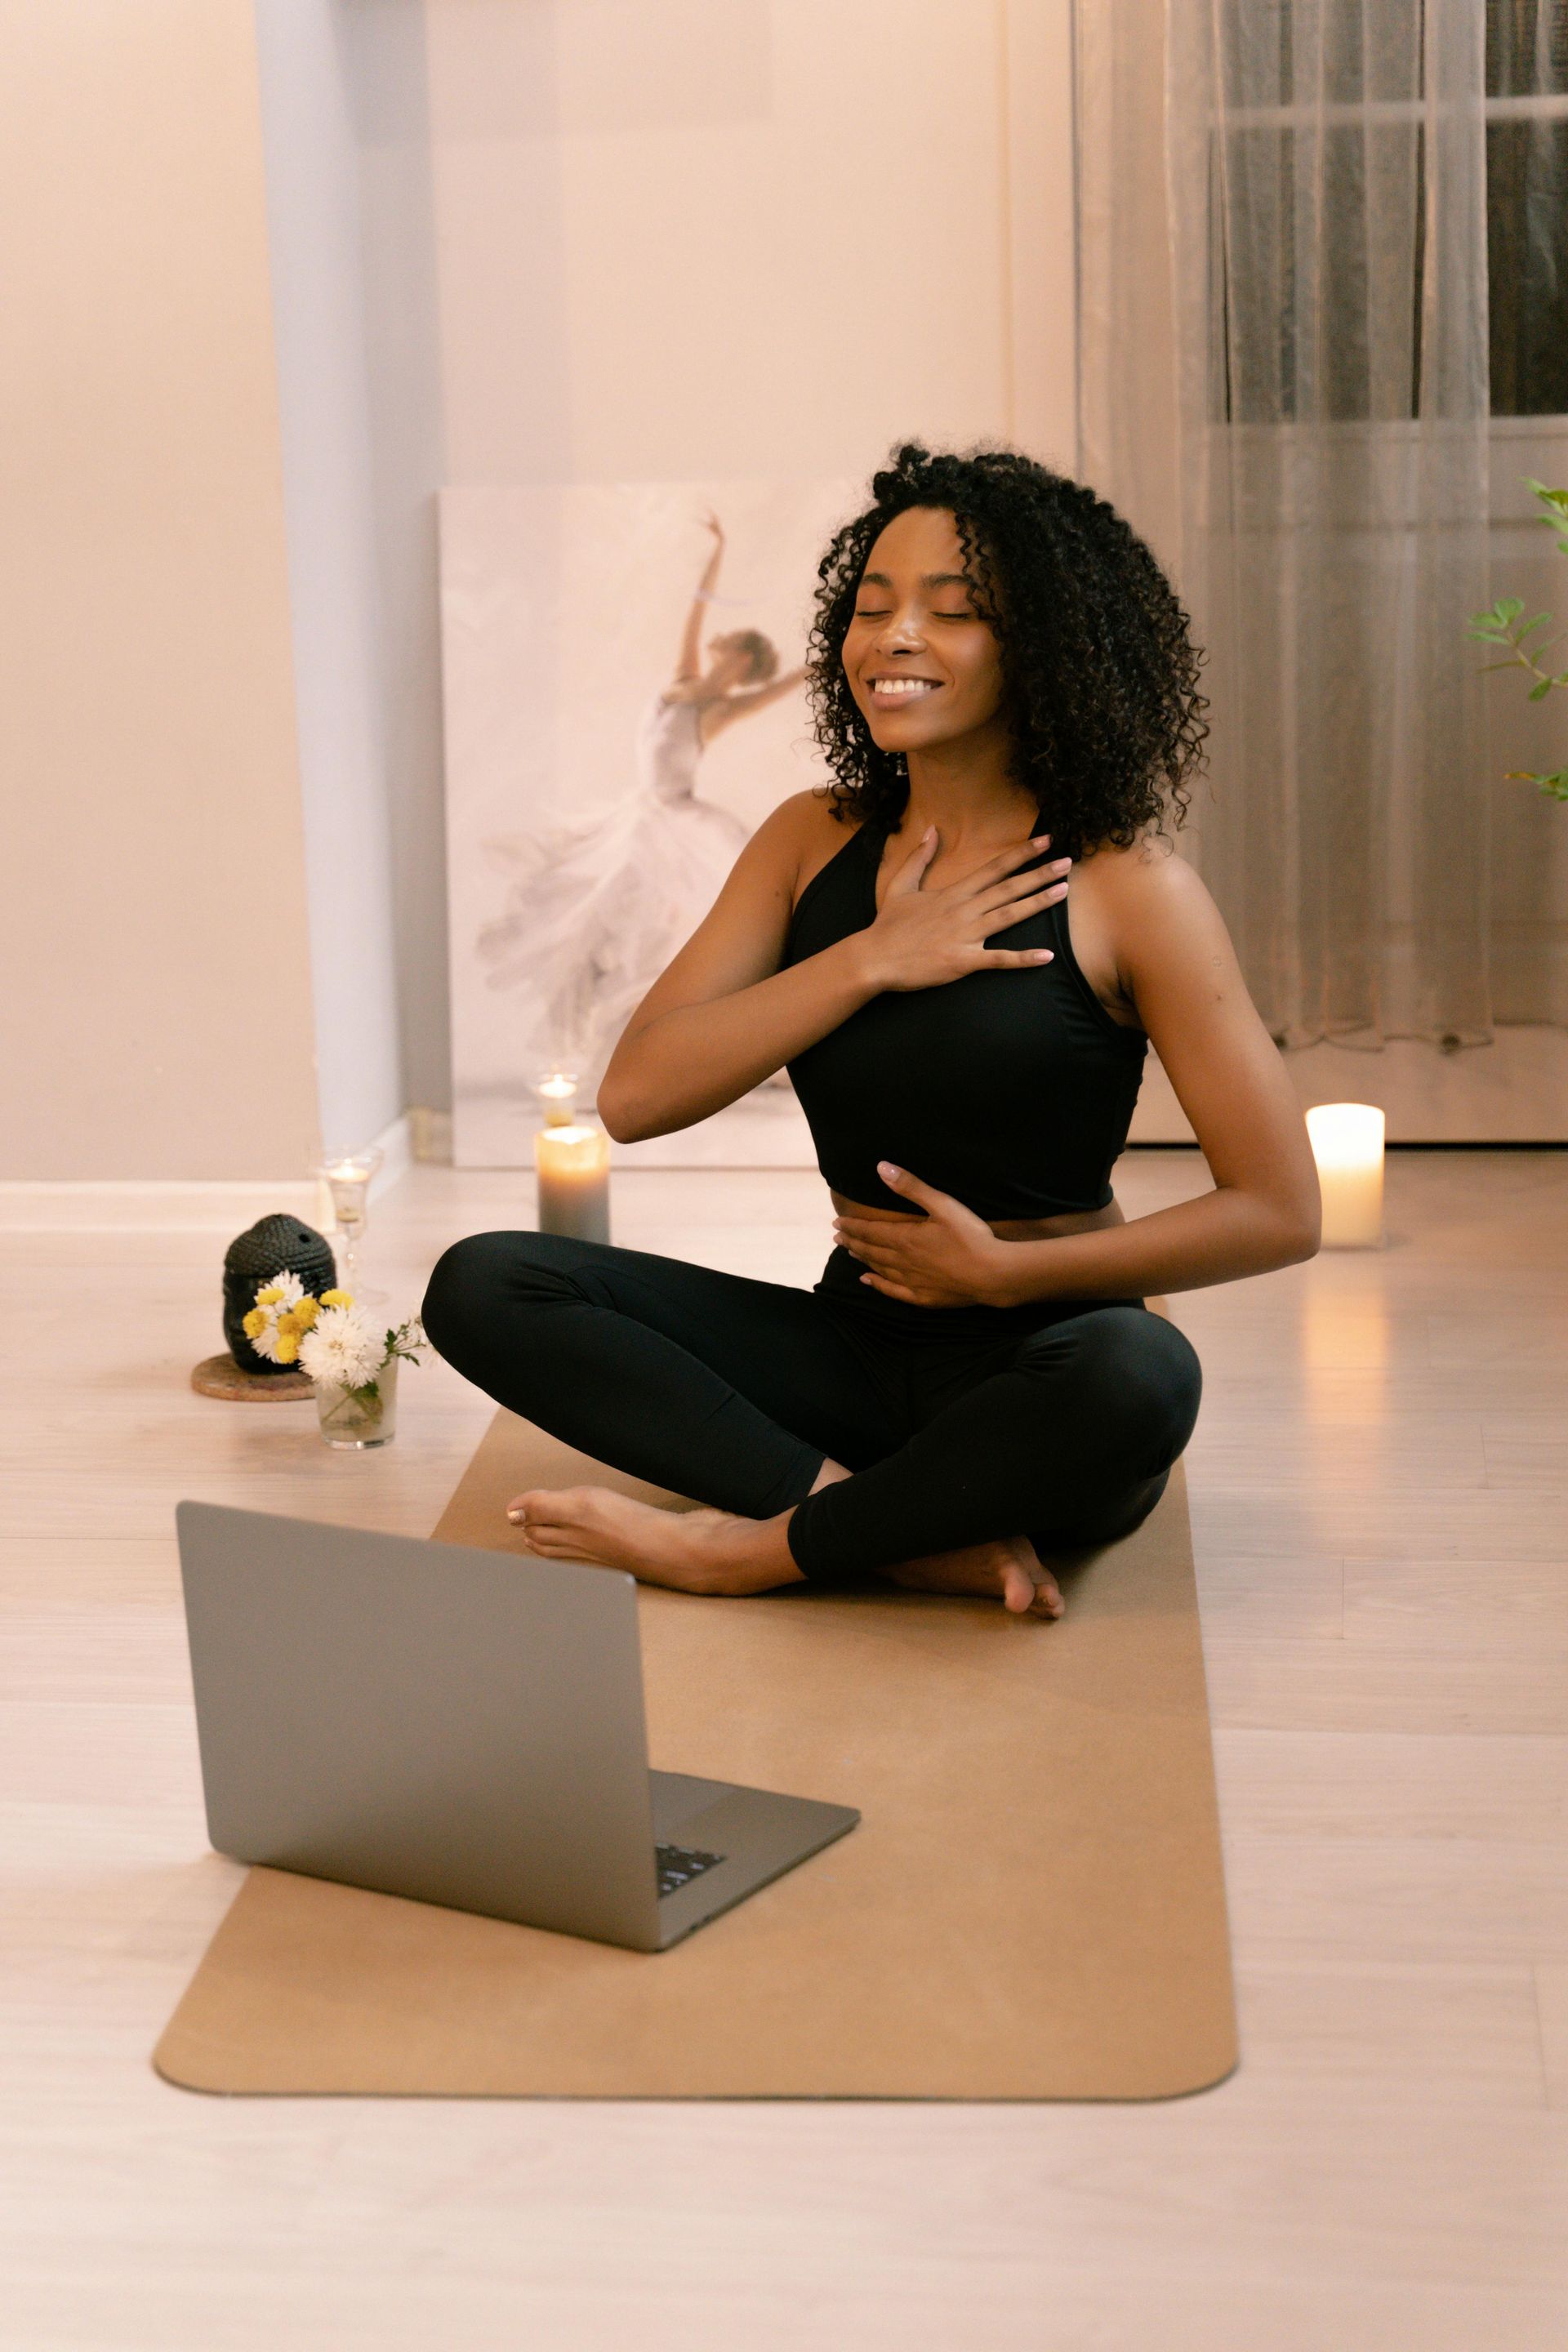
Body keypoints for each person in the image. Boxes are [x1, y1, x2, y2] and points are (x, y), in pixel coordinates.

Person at [424, 441, 1321, 1619]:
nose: (892, 638)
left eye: (951, 613)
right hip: (852, 1348)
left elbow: (1280, 1209)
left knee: (1143, 1378)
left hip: (1044, 1363)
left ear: (1040, 647)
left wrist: (1010, 1276)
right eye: (871, 607)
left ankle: (743, 1549)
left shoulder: (1127, 885)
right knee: (485, 1283)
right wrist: (870, 958)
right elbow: (637, 1098)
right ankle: (884, 1529)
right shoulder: (812, 839)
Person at [474, 509, 804, 1090]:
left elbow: (783, 687)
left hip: (679, 822)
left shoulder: (718, 711)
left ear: (746, 676)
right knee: (597, 924)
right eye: (732, 657)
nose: (732, 670)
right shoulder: (683, 680)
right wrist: (718, 549)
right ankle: (607, 1052)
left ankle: (685, 1046)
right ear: (723, 651)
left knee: (670, 932)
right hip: (638, 818)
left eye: (744, 669)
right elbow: (697, 606)